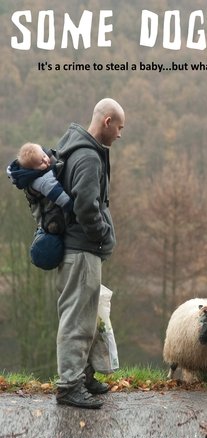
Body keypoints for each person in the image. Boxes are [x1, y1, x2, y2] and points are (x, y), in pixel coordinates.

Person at [55, 98, 125, 409]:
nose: (120, 134)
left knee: (87, 316)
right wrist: (102, 235)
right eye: (120, 127)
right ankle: (69, 385)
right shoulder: (88, 158)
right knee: (77, 320)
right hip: (82, 250)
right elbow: (86, 206)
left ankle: (82, 375)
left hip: (82, 250)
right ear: (107, 121)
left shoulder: (80, 150)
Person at [7, 143, 73, 232]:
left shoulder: (43, 168)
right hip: (52, 221)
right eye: (41, 163)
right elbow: (60, 197)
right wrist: (73, 208)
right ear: (33, 169)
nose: (46, 161)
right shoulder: (42, 180)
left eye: (44, 156)